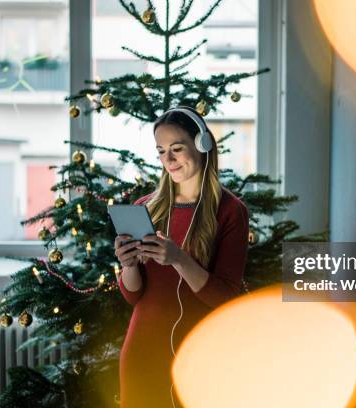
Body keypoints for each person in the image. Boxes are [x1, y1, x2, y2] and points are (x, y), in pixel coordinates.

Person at [114, 106, 249, 407]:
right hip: (142, 349)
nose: (168, 160)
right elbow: (133, 296)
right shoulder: (146, 207)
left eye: (177, 149)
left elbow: (226, 296)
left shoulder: (230, 211)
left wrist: (179, 259)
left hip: (200, 353)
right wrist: (128, 265)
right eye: (161, 151)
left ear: (202, 145)